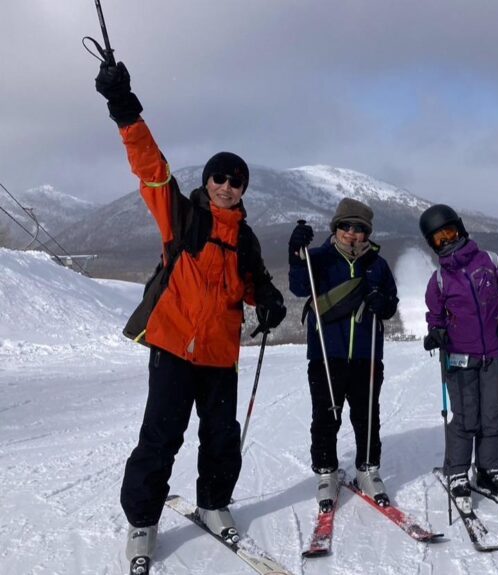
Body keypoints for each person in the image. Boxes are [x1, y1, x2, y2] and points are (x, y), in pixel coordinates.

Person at [95, 60, 288, 566]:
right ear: (208, 181)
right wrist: (124, 108)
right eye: (219, 178)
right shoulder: (183, 216)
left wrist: (267, 302)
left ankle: (215, 504)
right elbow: (150, 169)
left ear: (244, 189)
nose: (226, 186)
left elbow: (256, 284)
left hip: (221, 356)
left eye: (236, 181)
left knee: (222, 437)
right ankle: (142, 523)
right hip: (174, 347)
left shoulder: (244, 237)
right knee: (160, 437)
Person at [288, 198, 399, 509]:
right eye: (346, 226)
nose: (352, 233)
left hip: (367, 355)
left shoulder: (377, 265)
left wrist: (385, 304)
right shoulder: (320, 258)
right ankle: (326, 472)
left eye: (359, 229)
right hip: (327, 354)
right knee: (325, 416)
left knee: (367, 416)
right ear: (335, 228)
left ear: (367, 233)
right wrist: (295, 255)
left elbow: (391, 300)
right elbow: (299, 287)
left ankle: (368, 469)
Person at [419, 204, 498, 510]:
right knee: (465, 416)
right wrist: (435, 333)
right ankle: (458, 472)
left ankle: (488, 471)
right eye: (439, 239)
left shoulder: (491, 261)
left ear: (461, 228)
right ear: (432, 244)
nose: (447, 241)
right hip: (459, 357)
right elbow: (434, 316)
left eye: (450, 232)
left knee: (492, 414)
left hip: (495, 352)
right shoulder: (438, 281)